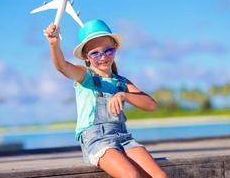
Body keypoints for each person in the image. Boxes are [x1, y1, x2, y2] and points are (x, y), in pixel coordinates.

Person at [44, 19, 167, 178]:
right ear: (86, 57)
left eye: (108, 51)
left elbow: (151, 105)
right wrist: (54, 44)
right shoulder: (85, 77)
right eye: (95, 53)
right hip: (97, 140)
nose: (103, 57)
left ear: (115, 49)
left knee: (160, 176)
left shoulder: (121, 82)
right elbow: (62, 66)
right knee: (132, 175)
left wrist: (124, 95)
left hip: (123, 137)